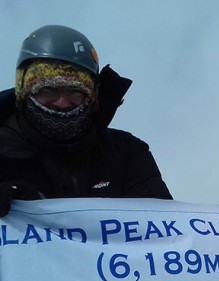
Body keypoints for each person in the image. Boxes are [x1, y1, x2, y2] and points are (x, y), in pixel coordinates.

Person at [0, 24, 172, 216]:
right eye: (47, 90)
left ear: (93, 98)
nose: (63, 103)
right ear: (23, 91)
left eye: (76, 92)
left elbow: (160, 229)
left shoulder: (126, 154)